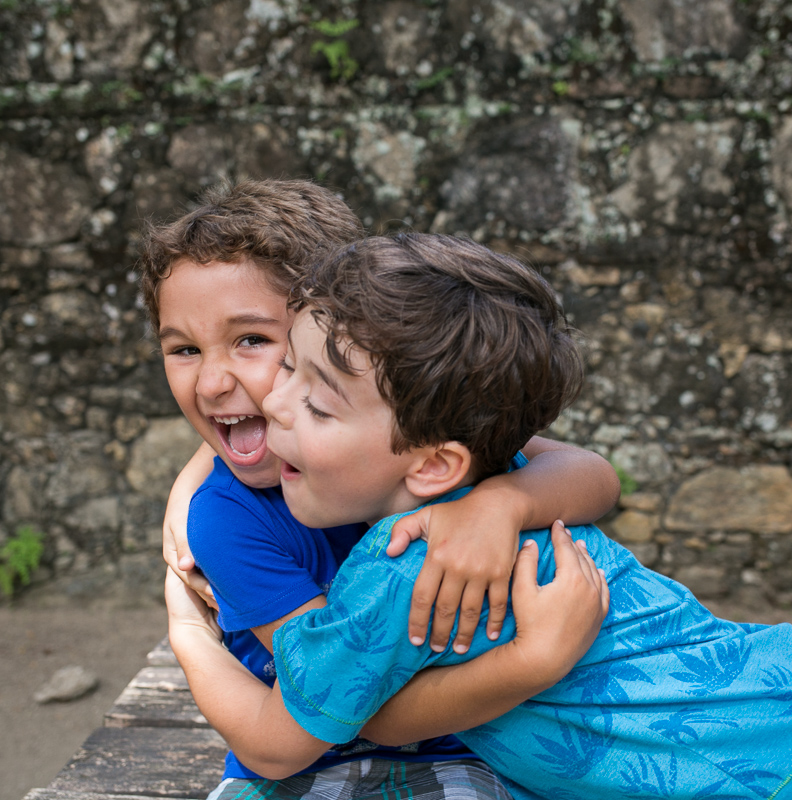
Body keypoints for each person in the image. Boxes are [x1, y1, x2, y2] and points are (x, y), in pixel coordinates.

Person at [166, 232, 792, 800]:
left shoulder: (399, 569)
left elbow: (274, 745)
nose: (270, 400)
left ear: (435, 462)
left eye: (312, 398)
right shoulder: (501, 472)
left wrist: (186, 631)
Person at [142, 180, 620, 799]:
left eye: (253, 340)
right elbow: (334, 719)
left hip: (481, 751)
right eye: (183, 349)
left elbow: (593, 475)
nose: (209, 383)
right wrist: (187, 628)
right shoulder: (229, 518)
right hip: (319, 762)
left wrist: (502, 503)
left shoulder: (415, 445)